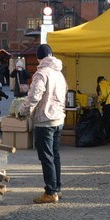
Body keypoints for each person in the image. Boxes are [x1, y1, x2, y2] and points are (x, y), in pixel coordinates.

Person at [19, 44, 68, 204]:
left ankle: (50, 192)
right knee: (55, 155)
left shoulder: (41, 74)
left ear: (39, 58)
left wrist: (22, 111)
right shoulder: (59, 73)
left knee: (46, 157)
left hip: (45, 119)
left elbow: (34, 96)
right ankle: (57, 189)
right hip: (58, 118)